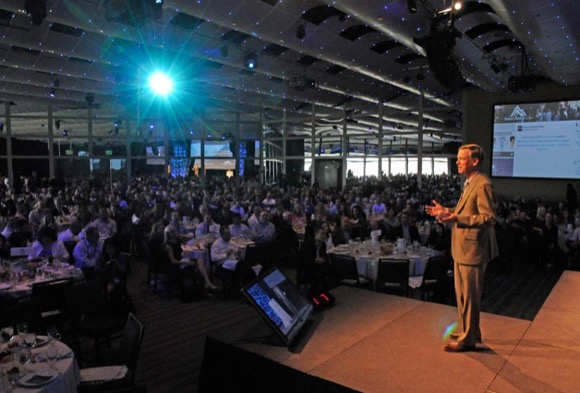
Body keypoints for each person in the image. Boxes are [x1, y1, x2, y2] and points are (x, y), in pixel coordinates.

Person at [425, 144, 498, 353]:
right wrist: (446, 211)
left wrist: (456, 217)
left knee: (471, 296)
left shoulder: (482, 184)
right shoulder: (469, 182)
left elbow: (488, 218)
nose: (456, 162)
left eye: (461, 158)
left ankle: (469, 339)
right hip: (462, 249)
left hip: (473, 250)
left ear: (474, 161)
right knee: (463, 295)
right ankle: (469, 331)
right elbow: (463, 211)